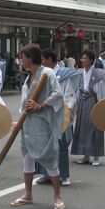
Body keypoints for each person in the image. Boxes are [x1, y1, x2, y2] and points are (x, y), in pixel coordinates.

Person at [10, 45, 65, 209]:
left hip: (42, 123)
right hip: (28, 124)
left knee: (49, 159)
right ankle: (28, 193)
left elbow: (58, 93)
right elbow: (23, 104)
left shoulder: (47, 73)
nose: (21, 60)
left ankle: (57, 196)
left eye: (23, 57)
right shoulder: (28, 78)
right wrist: (19, 121)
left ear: (30, 58)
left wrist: (41, 105)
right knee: (27, 158)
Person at [37, 48, 79, 186]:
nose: (41, 62)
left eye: (43, 59)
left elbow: (70, 96)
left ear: (49, 60)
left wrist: (67, 111)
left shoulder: (64, 74)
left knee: (60, 145)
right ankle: (46, 173)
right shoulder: (42, 74)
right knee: (44, 143)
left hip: (60, 112)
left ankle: (64, 175)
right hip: (45, 112)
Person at [71, 50, 105, 166]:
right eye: (82, 58)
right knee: (83, 128)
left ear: (92, 60)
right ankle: (85, 155)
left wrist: (101, 105)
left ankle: (96, 156)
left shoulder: (98, 74)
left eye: (85, 58)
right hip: (83, 102)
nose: (83, 60)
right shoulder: (79, 72)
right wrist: (76, 105)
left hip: (93, 101)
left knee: (95, 128)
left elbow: (101, 90)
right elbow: (77, 90)